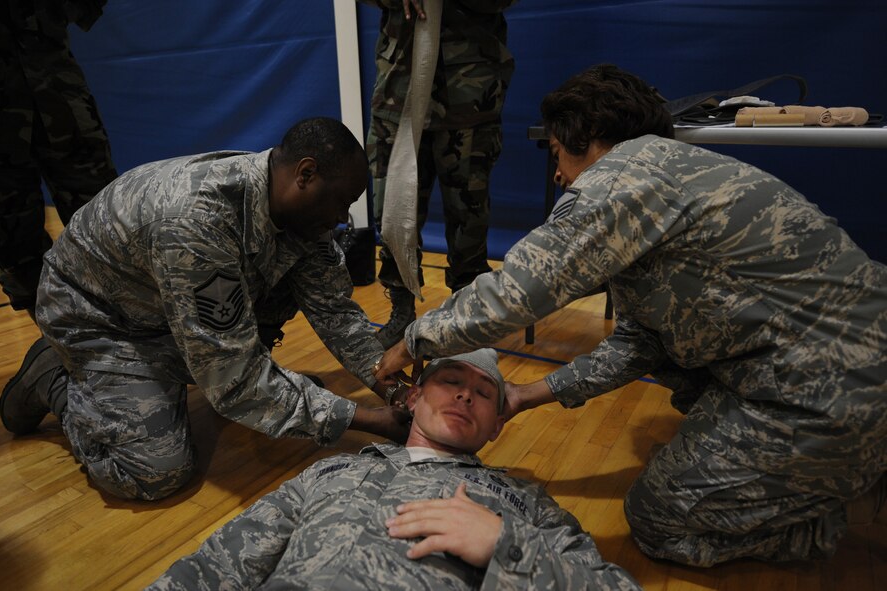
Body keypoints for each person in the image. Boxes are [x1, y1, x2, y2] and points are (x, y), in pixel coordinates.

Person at [375, 65, 887, 567]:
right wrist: (526, 395)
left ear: (590, 134)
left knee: (658, 519)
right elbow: (641, 342)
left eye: (557, 151)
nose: (557, 172)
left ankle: (817, 517)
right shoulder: (673, 172)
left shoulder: (624, 177)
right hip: (839, 362)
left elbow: (515, 292)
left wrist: (414, 341)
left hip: (841, 385)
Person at [0, 117, 411, 501]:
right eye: (342, 202)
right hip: (98, 318)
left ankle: (172, 377)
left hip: (160, 308)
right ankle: (51, 375)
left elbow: (336, 313)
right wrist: (368, 420)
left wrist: (391, 387)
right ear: (305, 174)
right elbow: (234, 379)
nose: (343, 217)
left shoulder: (299, 211)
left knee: (279, 314)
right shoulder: (195, 222)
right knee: (157, 471)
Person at [146, 348, 642, 590]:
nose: (466, 394)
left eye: (485, 393)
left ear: (496, 426)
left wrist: (504, 545)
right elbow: (219, 562)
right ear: (412, 396)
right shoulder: (328, 473)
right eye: (450, 381)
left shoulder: (524, 504)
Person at [359, 0, 516, 348]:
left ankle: (466, 316)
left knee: (469, 214)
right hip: (398, 93)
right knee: (392, 212)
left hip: (470, 93)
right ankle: (401, 313)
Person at [0, 0, 118, 320]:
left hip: (57, 95)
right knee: (14, 241)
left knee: (103, 222)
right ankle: (59, 347)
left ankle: (134, 340)